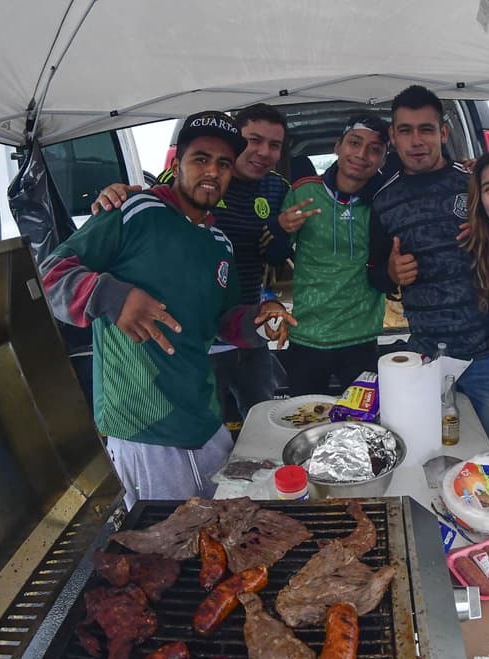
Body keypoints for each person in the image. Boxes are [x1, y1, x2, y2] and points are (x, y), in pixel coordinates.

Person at [41, 110, 294, 508]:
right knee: (161, 554)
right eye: (200, 159)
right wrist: (115, 297)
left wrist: (260, 324)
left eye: (223, 164)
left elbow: (222, 322)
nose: (212, 171)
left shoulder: (219, 242)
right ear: (176, 165)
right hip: (145, 429)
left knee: (222, 537)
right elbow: (51, 275)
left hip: (206, 423)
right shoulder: (132, 211)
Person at [93, 104, 292, 424]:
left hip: (244, 324)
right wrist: (116, 194)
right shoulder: (182, 184)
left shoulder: (278, 188)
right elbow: (157, 210)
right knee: (206, 426)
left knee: (263, 423)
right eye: (254, 140)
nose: (264, 152)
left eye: (275, 145)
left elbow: (274, 254)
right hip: (191, 339)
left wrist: (282, 232)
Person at [366, 85, 489, 451]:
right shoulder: (383, 200)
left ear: (443, 133)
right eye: (405, 130)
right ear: (393, 137)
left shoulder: (477, 185)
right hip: (425, 361)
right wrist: (391, 274)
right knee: (428, 457)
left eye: (426, 129)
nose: (416, 141)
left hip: (488, 358)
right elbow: (374, 274)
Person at [272, 114, 390, 395]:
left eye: (374, 149)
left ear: (383, 159)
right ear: (338, 146)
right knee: (305, 424)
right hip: (307, 337)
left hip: (361, 338)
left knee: (362, 426)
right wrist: (278, 228)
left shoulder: (386, 198)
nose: (362, 154)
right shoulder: (304, 192)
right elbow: (273, 256)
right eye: (354, 143)